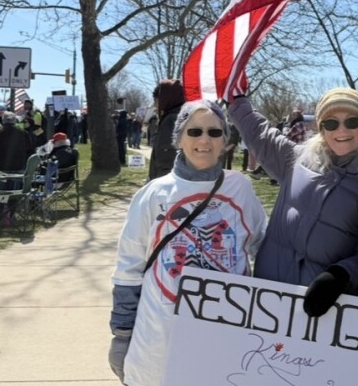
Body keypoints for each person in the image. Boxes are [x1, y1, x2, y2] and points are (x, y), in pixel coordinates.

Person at [108, 100, 266, 386]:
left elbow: (263, 248)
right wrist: (121, 334)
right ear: (179, 138)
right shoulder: (153, 194)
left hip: (228, 333)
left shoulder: (240, 189)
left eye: (214, 132)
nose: (204, 139)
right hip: (161, 336)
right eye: (194, 131)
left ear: (225, 141)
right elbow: (128, 269)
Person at [228, 86, 358, 318]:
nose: (341, 130)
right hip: (265, 298)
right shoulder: (294, 160)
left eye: (352, 122)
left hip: (320, 314)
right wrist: (237, 100)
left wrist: (343, 275)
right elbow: (260, 134)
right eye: (331, 123)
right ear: (320, 127)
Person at [148, 80, 185, 179]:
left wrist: (159, 183)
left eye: (156, 100)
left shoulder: (172, 119)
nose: (155, 105)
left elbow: (166, 157)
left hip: (167, 178)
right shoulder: (182, 115)